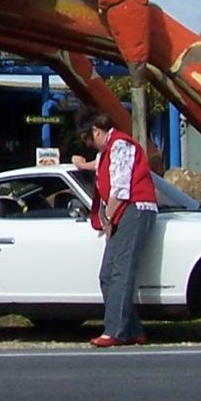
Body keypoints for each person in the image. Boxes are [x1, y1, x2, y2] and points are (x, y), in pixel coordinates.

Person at [84, 105, 155, 348]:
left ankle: (115, 330)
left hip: (136, 208)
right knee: (107, 274)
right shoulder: (107, 151)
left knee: (121, 271)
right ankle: (132, 329)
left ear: (96, 131)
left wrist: (108, 219)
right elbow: (100, 168)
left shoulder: (121, 145)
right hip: (122, 211)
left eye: (87, 138)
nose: (88, 144)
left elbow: (121, 188)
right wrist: (82, 165)